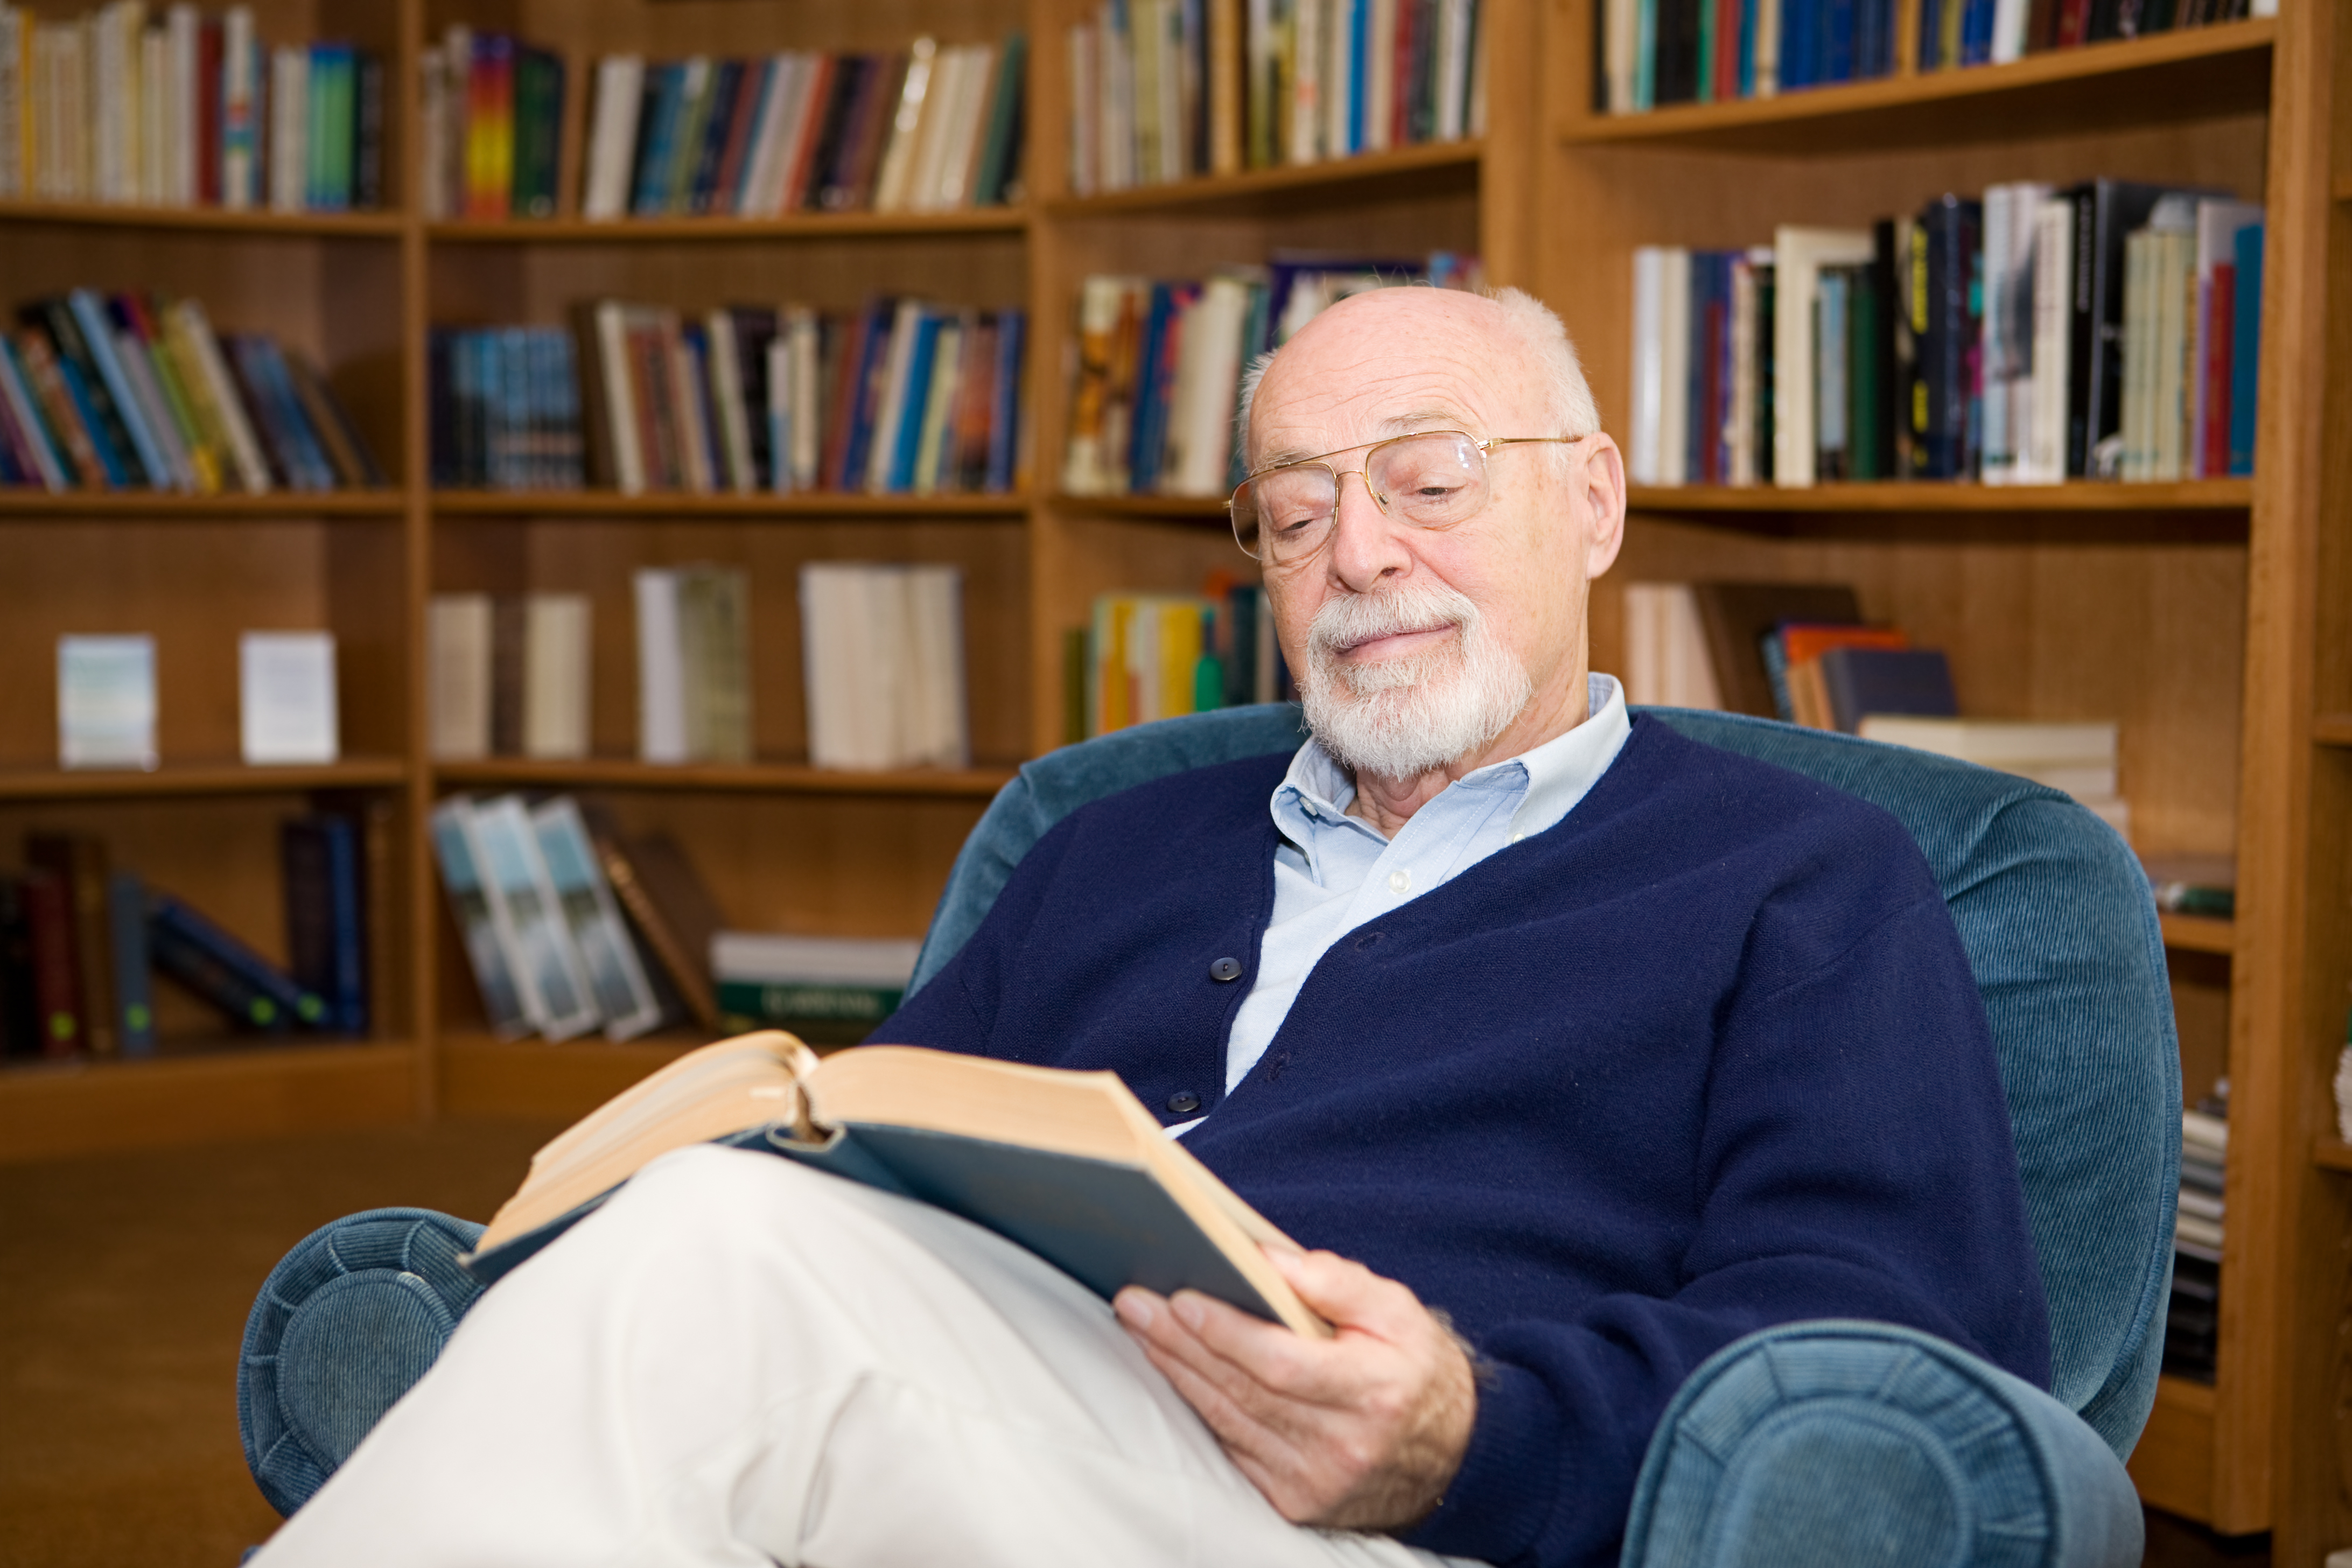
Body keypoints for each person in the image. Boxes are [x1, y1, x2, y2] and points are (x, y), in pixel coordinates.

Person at [251, 286, 2048, 1568]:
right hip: (996, 1446)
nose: (1358, 553)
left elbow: (1892, 1353)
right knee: (726, 1229)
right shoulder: (1106, 848)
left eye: (1429, 481)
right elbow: (870, 1155)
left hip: (1377, 1519)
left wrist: (1469, 1433)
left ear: (1591, 499)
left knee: (720, 1257)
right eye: (1293, 511)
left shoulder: (1806, 881)